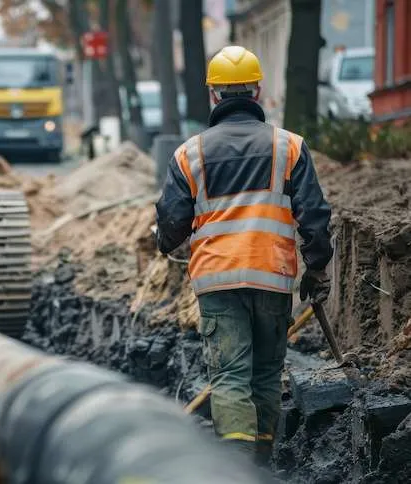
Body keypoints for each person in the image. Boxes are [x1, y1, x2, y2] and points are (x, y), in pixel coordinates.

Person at [154, 46, 333, 465]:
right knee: (266, 376)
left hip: (218, 281)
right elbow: (315, 216)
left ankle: (235, 467)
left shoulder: (189, 153)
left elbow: (172, 222)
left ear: (214, 94)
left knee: (230, 377)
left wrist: (163, 241)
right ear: (257, 90)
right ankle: (260, 464)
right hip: (272, 277)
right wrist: (317, 267)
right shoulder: (289, 147)